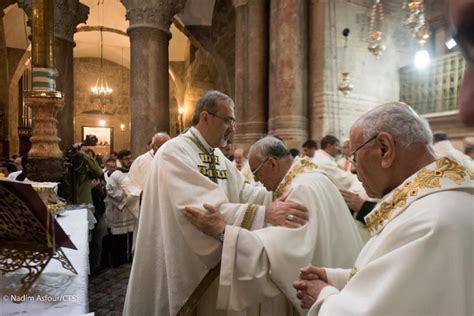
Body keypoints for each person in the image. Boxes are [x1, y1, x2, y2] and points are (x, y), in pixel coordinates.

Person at [123, 90, 308, 315]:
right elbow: (202, 210)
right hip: (183, 258)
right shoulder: (174, 152)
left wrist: (278, 192)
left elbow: (243, 191)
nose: (233, 128)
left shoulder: (218, 156)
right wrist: (264, 214)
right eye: (228, 120)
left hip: (218, 261)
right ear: (205, 117)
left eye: (234, 121)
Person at [293, 102, 473, 315]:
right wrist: (337, 278)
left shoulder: (429, 221)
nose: (352, 168)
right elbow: (405, 282)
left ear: (384, 149)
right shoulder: (442, 200)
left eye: (354, 157)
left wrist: (324, 296)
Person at [183, 136, 364, 314]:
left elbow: (281, 254)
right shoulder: (313, 176)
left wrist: (223, 231)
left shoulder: (300, 189)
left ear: (271, 164)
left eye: (256, 172)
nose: (257, 180)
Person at [122, 132, 170, 250]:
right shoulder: (141, 161)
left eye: (167, 145)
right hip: (147, 209)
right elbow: (127, 183)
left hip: (168, 210)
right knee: (147, 246)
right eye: (160, 146)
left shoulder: (174, 159)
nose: (164, 149)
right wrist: (140, 194)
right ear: (153, 146)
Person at [104, 149, 135, 267]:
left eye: (130, 158)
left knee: (132, 235)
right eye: (126, 159)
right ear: (120, 160)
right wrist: (125, 197)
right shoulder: (115, 174)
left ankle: (131, 258)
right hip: (119, 209)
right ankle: (119, 261)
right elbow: (110, 191)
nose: (129, 161)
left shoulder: (132, 172)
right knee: (119, 238)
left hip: (131, 209)